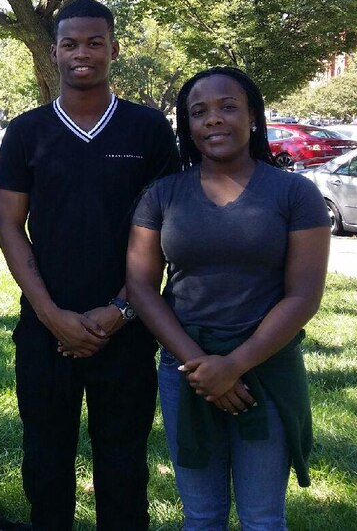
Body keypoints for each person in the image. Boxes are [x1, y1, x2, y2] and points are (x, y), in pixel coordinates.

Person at [0, 0, 179, 530]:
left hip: (125, 327)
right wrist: (49, 312)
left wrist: (121, 308)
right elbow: (9, 225)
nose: (83, 54)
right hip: (44, 329)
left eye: (95, 42)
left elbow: (165, 228)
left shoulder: (146, 129)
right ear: (53, 52)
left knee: (123, 469)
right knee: (45, 466)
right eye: (70, 44)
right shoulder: (26, 132)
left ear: (114, 48)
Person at [126, 66, 329, 529]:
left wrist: (233, 366)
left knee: (262, 517)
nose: (212, 120)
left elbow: (304, 295)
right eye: (199, 112)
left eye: (227, 107)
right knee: (201, 516)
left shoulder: (296, 194)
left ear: (254, 117)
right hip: (186, 370)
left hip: (266, 367)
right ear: (188, 127)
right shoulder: (162, 195)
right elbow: (141, 286)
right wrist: (201, 366)